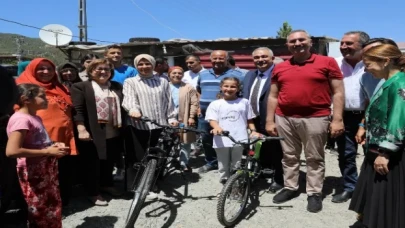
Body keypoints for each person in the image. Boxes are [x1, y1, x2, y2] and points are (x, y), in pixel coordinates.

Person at [266, 30, 344, 213]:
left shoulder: (327, 62)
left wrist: (338, 119)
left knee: (314, 157)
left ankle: (314, 192)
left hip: (316, 117)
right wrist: (270, 121)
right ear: (288, 45)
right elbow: (273, 95)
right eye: (292, 41)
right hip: (284, 118)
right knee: (289, 156)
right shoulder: (280, 67)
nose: (297, 43)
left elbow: (338, 92)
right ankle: (291, 187)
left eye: (301, 39)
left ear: (310, 42)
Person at [349, 44, 405, 228]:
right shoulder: (388, 81)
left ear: (385, 61)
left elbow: (398, 120)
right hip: (377, 148)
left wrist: (385, 152)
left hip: (390, 154)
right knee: (378, 196)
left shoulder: (399, 83)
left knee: (388, 197)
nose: (366, 69)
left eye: (368, 64)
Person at [6, 83, 70, 228]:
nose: (46, 99)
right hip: (33, 171)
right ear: (26, 99)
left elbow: (37, 142)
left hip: (45, 169)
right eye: (42, 96)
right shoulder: (21, 119)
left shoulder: (34, 117)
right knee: (40, 211)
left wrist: (53, 145)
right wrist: (47, 152)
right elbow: (12, 151)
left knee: (50, 207)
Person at [16, 58, 77, 207]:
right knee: (39, 179)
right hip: (39, 143)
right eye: (41, 68)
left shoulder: (59, 87)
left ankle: (58, 205)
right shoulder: (22, 89)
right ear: (31, 70)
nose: (46, 72)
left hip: (63, 138)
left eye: (50, 69)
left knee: (60, 174)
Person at [71, 59, 124, 206]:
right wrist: (81, 128)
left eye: (106, 69)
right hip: (92, 131)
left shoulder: (115, 86)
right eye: (98, 69)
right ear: (90, 71)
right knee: (92, 163)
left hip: (114, 130)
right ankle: (92, 192)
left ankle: (106, 184)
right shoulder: (81, 87)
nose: (103, 72)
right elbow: (78, 110)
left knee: (109, 160)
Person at [122, 54, 177, 196]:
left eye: (147, 64)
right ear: (136, 66)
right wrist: (133, 110)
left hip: (159, 125)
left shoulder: (163, 81)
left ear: (153, 65)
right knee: (137, 157)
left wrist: (171, 118)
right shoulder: (131, 82)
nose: (144, 67)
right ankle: (134, 187)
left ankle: (152, 184)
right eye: (140, 64)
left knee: (157, 158)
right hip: (139, 125)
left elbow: (168, 101)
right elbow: (129, 99)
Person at [332, 31, 370, 203]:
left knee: (372, 153)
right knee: (346, 154)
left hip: (369, 115)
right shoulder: (334, 64)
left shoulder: (371, 65)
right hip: (343, 116)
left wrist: (364, 123)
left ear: (362, 47)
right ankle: (350, 187)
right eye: (342, 43)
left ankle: (371, 188)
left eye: (349, 43)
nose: (343, 47)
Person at [206, 77, 260, 189]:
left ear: (238, 88)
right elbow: (212, 120)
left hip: (239, 138)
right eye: (226, 86)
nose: (229, 89)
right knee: (223, 166)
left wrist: (253, 131)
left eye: (233, 86)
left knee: (237, 165)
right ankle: (224, 188)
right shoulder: (215, 104)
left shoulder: (244, 102)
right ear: (221, 87)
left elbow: (249, 119)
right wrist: (216, 127)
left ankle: (236, 187)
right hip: (222, 139)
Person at [243, 47, 284, 192]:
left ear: (272, 58)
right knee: (260, 147)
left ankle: (279, 179)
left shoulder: (280, 73)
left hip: (274, 119)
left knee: (277, 150)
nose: (260, 60)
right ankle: (265, 172)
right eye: (257, 57)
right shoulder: (250, 74)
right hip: (253, 119)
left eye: (264, 57)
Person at [197, 50, 244, 173]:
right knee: (206, 139)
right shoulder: (203, 74)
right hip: (205, 114)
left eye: (221, 58)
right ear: (210, 60)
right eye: (215, 58)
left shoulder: (237, 75)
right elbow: (198, 90)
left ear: (227, 59)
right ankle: (211, 162)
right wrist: (198, 105)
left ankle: (231, 165)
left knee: (230, 139)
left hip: (228, 115)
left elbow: (242, 93)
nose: (217, 61)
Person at [168, 66, 199, 172]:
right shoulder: (165, 86)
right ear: (169, 74)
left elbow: (194, 103)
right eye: (174, 73)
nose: (177, 75)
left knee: (185, 141)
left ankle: (183, 162)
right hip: (168, 118)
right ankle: (169, 160)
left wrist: (191, 117)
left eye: (179, 73)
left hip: (184, 118)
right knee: (168, 139)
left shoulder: (188, 87)